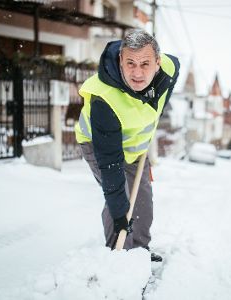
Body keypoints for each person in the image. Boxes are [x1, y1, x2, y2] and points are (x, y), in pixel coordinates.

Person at [75, 29, 180, 262]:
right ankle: (119, 259)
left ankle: (139, 253)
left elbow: (176, 67)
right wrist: (119, 211)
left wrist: (158, 104)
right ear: (121, 60)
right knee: (120, 200)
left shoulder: (168, 69)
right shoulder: (105, 99)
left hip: (135, 147)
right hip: (98, 145)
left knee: (142, 197)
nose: (138, 72)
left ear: (158, 63)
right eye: (130, 63)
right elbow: (110, 165)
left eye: (145, 63)